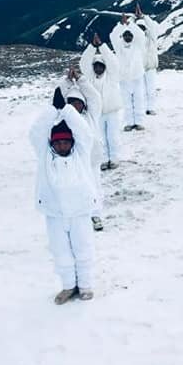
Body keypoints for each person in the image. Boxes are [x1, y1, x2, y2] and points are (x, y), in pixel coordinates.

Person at [30, 87, 100, 304]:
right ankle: (69, 286)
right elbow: (36, 132)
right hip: (55, 213)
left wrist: (67, 110)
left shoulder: (81, 152)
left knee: (83, 248)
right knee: (60, 251)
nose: (62, 145)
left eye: (65, 142)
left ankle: (86, 284)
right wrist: (53, 110)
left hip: (79, 211)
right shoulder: (45, 154)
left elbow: (83, 132)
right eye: (58, 142)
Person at [59, 67, 105, 232]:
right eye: (72, 102)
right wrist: (67, 81)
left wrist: (80, 79)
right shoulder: (65, 118)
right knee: (75, 187)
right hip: (75, 160)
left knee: (94, 185)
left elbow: (94, 97)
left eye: (79, 102)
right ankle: (78, 215)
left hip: (92, 158)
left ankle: (95, 215)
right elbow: (62, 94)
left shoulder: (91, 115)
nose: (75, 105)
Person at [80, 33, 123, 170]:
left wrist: (102, 46)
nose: (98, 68)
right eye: (96, 66)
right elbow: (84, 62)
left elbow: (113, 62)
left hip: (112, 111)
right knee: (100, 138)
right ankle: (104, 159)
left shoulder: (112, 76)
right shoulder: (89, 77)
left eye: (101, 66)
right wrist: (92, 47)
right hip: (97, 113)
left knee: (113, 136)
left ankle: (114, 158)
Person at [109, 14, 148, 131]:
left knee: (139, 100)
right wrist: (121, 25)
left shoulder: (138, 44)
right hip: (123, 78)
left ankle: (139, 122)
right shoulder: (118, 45)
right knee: (126, 102)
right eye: (125, 35)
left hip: (137, 77)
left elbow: (141, 34)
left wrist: (130, 25)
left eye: (130, 35)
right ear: (123, 36)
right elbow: (113, 36)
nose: (128, 37)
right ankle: (129, 123)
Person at [135, 6, 161, 116]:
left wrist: (143, 16)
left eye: (142, 27)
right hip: (138, 68)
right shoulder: (135, 40)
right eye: (139, 27)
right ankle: (141, 108)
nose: (141, 29)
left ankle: (150, 108)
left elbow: (153, 27)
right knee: (140, 89)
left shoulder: (152, 39)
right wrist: (133, 19)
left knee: (150, 89)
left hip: (150, 67)